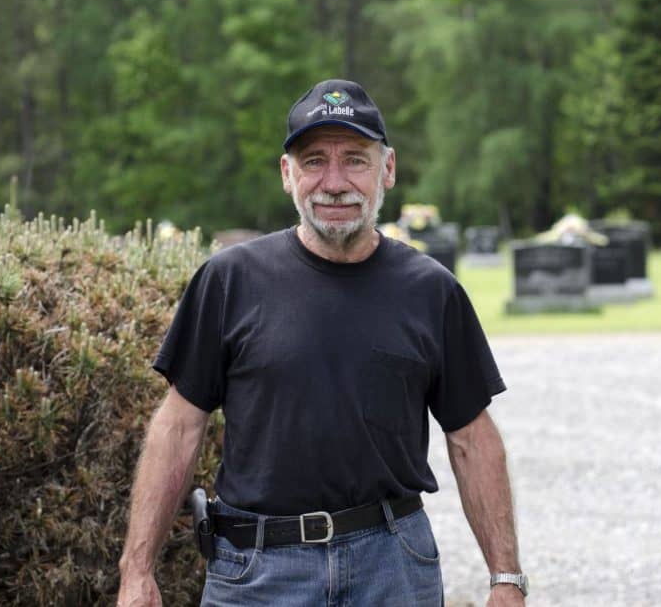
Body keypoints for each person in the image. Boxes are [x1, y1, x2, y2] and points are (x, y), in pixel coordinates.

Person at [116, 79, 527, 606]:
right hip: (257, 574)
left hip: (393, 569)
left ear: (389, 169)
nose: (334, 182)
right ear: (287, 174)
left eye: (355, 160)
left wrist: (506, 578)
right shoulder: (229, 281)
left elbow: (472, 438)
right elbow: (179, 426)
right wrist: (137, 570)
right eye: (313, 161)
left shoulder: (432, 291)